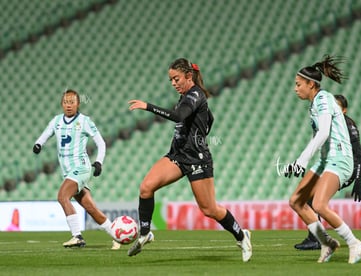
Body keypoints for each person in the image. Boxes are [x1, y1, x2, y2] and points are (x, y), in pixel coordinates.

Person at [127, 58, 252, 262]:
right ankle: (145, 233)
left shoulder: (195, 94)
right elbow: (209, 118)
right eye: (171, 80)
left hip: (197, 160)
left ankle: (241, 235)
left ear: (189, 76)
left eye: (176, 79)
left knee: (209, 209)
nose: (173, 83)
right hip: (177, 156)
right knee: (146, 188)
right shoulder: (185, 96)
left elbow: (178, 117)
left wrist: (147, 106)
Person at [285, 55, 361, 264]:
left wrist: (302, 159)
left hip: (340, 157)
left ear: (311, 84)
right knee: (296, 201)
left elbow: (324, 133)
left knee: (319, 204)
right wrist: (297, 163)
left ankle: (354, 243)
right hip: (325, 160)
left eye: (298, 84)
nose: (295, 88)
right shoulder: (314, 104)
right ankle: (326, 242)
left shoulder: (323, 98)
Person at [33, 89, 120, 249]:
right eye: (66, 102)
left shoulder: (84, 121)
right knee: (90, 207)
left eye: (72, 102)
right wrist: (39, 144)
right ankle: (117, 236)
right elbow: (46, 134)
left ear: (78, 104)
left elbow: (101, 142)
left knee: (62, 197)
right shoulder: (57, 121)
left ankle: (77, 236)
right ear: (62, 104)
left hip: (81, 167)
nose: (68, 105)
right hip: (67, 171)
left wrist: (99, 162)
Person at [294, 94, 361, 250]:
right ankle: (319, 238)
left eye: (337, 107)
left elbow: (359, 153)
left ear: (344, 110)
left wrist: (358, 180)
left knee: (315, 201)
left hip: (345, 167)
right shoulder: (326, 121)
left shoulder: (347, 124)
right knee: (306, 198)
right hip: (331, 164)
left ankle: (321, 239)